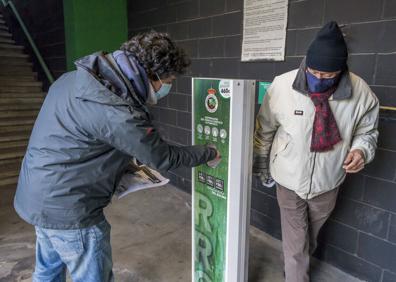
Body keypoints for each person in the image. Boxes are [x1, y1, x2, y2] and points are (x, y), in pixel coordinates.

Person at [14, 31, 220, 282]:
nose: (169, 87)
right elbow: (163, 158)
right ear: (152, 76)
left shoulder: (71, 80)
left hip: (36, 195)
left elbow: (77, 139)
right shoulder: (120, 113)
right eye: (169, 79)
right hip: (72, 211)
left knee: (46, 273)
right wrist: (209, 152)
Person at [253, 21, 379, 282]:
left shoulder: (361, 93)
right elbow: (263, 130)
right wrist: (262, 167)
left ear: (341, 69)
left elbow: (367, 132)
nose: (319, 79)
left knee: (307, 240)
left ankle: (291, 265)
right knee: (298, 245)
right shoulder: (282, 85)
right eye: (314, 72)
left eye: (328, 75)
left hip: (328, 182)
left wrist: (361, 151)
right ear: (306, 63)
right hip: (288, 179)